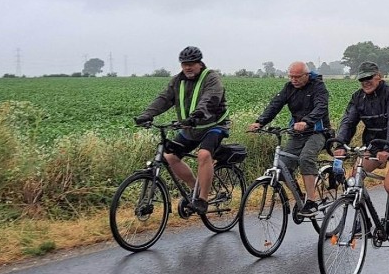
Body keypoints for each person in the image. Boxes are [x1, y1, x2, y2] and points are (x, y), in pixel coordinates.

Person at [134, 46, 229, 214]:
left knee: (204, 154)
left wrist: (196, 115)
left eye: (191, 63)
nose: (187, 67)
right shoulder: (178, 80)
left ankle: (203, 200)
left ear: (200, 63)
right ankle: (195, 190)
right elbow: (164, 99)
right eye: (184, 64)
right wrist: (147, 115)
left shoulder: (211, 78)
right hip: (191, 128)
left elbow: (211, 99)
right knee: (170, 157)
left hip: (213, 126)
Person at [333, 62, 389, 243]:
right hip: (374, 145)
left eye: (369, 78)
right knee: (354, 177)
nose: (365, 82)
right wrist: (340, 144)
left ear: (379, 76)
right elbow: (348, 122)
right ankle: (363, 220)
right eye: (362, 79)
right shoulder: (358, 98)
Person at [248, 62, 332, 216]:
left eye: (297, 77)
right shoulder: (289, 88)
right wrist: (260, 122)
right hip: (297, 132)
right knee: (282, 168)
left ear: (306, 75)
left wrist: (307, 121)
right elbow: (275, 105)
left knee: (306, 158)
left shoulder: (318, 87)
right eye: (291, 76)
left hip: (318, 131)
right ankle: (300, 197)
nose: (293, 80)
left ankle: (312, 201)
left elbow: (321, 107)